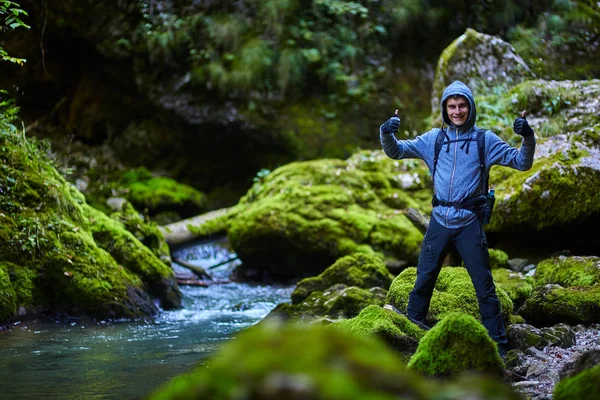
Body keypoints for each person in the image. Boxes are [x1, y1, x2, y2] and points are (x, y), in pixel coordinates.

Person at [379, 80, 536, 356]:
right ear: (445, 109)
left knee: (483, 286)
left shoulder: (484, 140)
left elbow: (522, 162)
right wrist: (386, 132)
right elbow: (395, 151)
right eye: (452, 106)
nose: (457, 111)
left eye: (462, 105)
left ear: (470, 107)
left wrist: (527, 137)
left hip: (469, 223)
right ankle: (412, 331)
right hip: (439, 220)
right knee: (423, 279)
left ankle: (497, 346)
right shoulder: (433, 140)